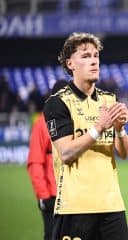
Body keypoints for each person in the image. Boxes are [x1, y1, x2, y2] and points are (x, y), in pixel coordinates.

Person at [43, 32, 128, 240]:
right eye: (85, 56)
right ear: (70, 64)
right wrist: (99, 127)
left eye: (95, 56)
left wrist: (120, 128)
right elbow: (65, 152)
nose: (93, 61)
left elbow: (124, 152)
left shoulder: (109, 100)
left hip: (112, 205)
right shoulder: (58, 103)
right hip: (75, 208)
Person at [27, 80, 69, 240]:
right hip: (52, 195)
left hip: (74, 193)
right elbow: (35, 162)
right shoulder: (42, 124)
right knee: (53, 235)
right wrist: (42, 195)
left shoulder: (74, 120)